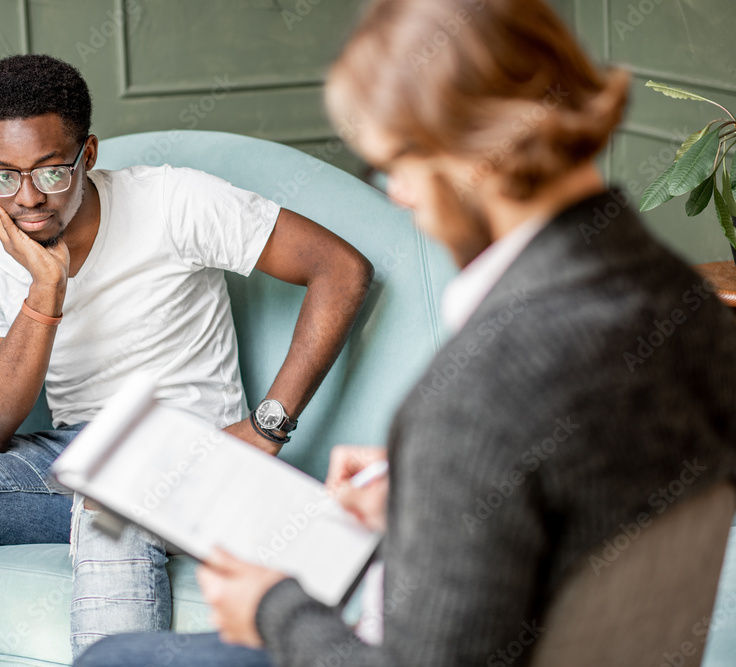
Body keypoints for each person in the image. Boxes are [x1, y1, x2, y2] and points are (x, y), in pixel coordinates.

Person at [75, 0, 736, 665]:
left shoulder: (487, 381)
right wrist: (431, 495)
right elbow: (590, 507)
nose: (397, 194)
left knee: (114, 658)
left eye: (396, 164)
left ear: (470, 153)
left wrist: (271, 605)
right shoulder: (688, 303)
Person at [0, 54, 373, 666]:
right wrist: (44, 291)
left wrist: (269, 424)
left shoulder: (173, 200)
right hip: (74, 456)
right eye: (1, 176)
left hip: (187, 453)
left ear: (87, 155)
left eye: (50, 172)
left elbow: (341, 268)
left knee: (112, 496)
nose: (26, 197)